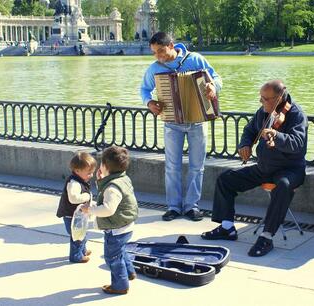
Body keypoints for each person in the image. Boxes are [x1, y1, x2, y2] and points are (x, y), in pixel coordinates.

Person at [201, 80, 307, 257]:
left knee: (283, 185)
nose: (261, 102)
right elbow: (250, 130)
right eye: (261, 98)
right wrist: (245, 144)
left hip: (290, 170)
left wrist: (277, 135)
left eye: (265, 99)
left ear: (279, 97)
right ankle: (227, 227)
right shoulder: (264, 112)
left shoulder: (296, 114)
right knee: (226, 179)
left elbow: (297, 143)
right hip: (265, 168)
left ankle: (266, 237)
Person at [140, 31, 222, 222]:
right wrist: (149, 102)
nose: (158, 56)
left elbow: (217, 78)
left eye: (161, 51)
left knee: (197, 167)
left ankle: (192, 207)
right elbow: (144, 89)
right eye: (154, 53)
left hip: (197, 120)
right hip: (171, 123)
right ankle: (174, 207)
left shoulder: (195, 60)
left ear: (171, 45)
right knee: (172, 167)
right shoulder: (154, 69)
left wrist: (213, 87)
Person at [81, 146, 138, 295]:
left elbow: (108, 209)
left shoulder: (112, 188)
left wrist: (90, 210)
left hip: (116, 228)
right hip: (126, 224)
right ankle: (130, 273)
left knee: (112, 257)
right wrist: (101, 180)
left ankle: (120, 285)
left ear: (105, 166)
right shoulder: (122, 178)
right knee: (121, 251)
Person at [56, 152, 96, 263]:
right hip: (71, 215)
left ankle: (82, 250)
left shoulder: (80, 180)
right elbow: (73, 198)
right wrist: (87, 196)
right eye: (89, 173)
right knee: (77, 236)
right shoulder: (74, 183)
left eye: (92, 173)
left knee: (82, 233)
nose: (91, 175)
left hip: (78, 214)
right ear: (77, 171)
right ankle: (76, 256)